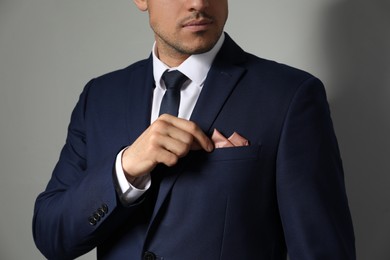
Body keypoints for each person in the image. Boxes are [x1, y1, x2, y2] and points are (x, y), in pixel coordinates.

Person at [33, 0, 356, 259]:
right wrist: (126, 169)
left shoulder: (290, 95)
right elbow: (51, 236)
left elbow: (322, 250)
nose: (198, 3)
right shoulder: (100, 96)